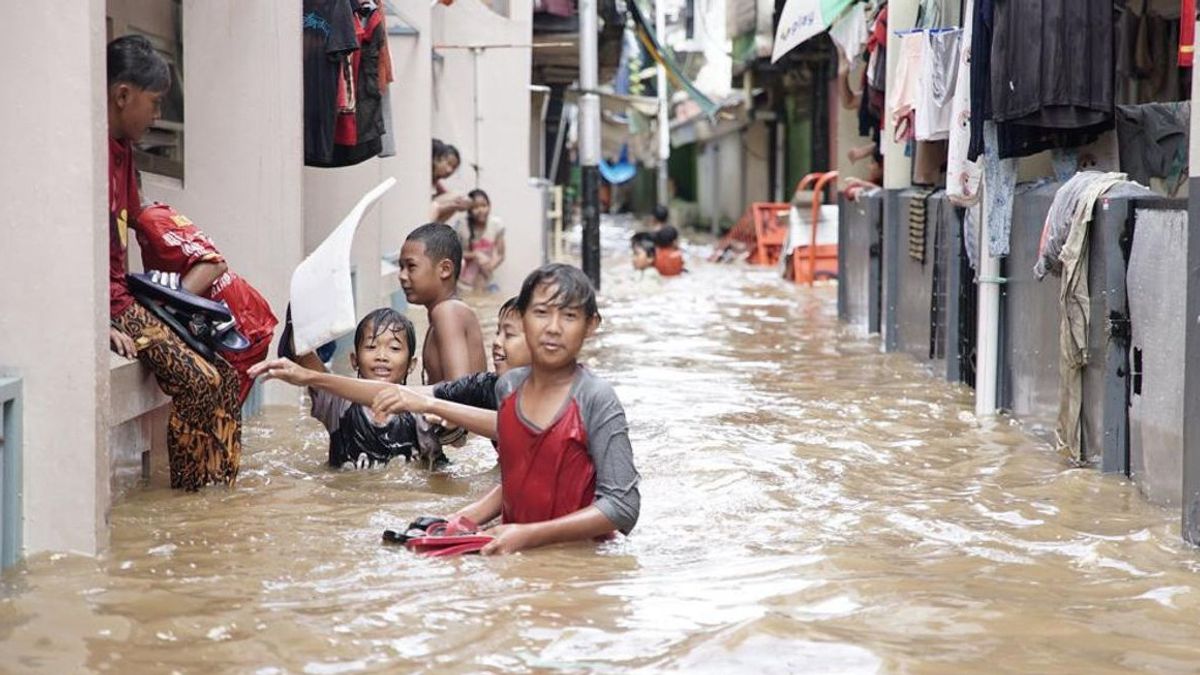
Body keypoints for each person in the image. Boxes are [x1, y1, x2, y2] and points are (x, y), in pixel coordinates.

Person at [373, 263, 641, 555]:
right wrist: (460, 520)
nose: (553, 327)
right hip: (514, 554)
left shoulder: (597, 398)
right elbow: (521, 479)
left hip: (581, 564)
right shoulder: (508, 388)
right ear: (523, 318)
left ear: (591, 325)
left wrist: (529, 535)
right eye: (541, 313)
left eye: (569, 315)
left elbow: (622, 507)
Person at [106, 35, 242, 491]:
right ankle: (187, 497)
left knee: (224, 374)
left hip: (128, 297)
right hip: (113, 307)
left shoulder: (122, 152)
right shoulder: (91, 154)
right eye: (155, 102)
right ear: (122, 95)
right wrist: (95, 321)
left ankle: (221, 490)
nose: (158, 115)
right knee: (199, 381)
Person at [249, 309, 441, 469]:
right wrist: (299, 314)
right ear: (354, 360)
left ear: (411, 365)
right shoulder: (338, 402)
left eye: (394, 348)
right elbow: (300, 356)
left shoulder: (420, 411)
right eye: (371, 346)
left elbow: (438, 467)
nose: (382, 356)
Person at [135, 200, 278, 403]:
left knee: (219, 419)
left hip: (236, 328)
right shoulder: (159, 213)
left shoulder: (151, 220)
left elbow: (214, 265)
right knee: (220, 418)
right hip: (242, 317)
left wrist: (167, 311)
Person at [398, 223, 488, 384]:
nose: (402, 276)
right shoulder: (444, 313)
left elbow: (458, 392)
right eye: (401, 267)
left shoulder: (448, 312)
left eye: (411, 266)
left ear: (445, 269)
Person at [458, 189, 506, 293]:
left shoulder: (496, 225)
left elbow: (501, 254)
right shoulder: (462, 226)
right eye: (475, 207)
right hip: (463, 281)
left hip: (485, 277)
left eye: (484, 206)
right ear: (469, 210)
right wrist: (474, 255)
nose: (480, 210)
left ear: (489, 206)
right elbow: (455, 253)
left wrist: (489, 267)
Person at [430, 139, 471, 223]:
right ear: (437, 158)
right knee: (457, 196)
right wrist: (452, 205)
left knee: (461, 198)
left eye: (454, 168)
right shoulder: (426, 175)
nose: (449, 171)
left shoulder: (436, 182)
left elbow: (446, 196)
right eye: (448, 164)